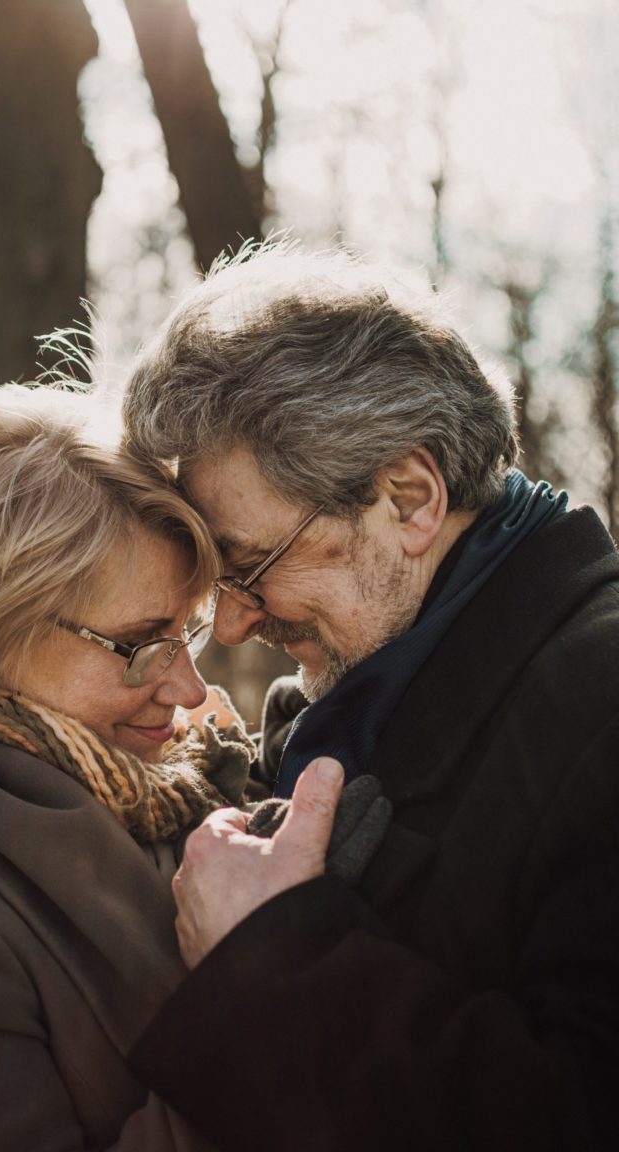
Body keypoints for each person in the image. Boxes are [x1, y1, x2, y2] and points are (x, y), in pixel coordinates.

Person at [120, 242, 619, 1151]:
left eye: (252, 567)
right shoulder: (345, 712)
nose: (229, 628)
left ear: (410, 497)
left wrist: (272, 961)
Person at [0, 382, 258, 1151]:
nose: (188, 689)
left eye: (187, 634)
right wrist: (262, 990)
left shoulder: (163, 787)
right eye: (141, 644)